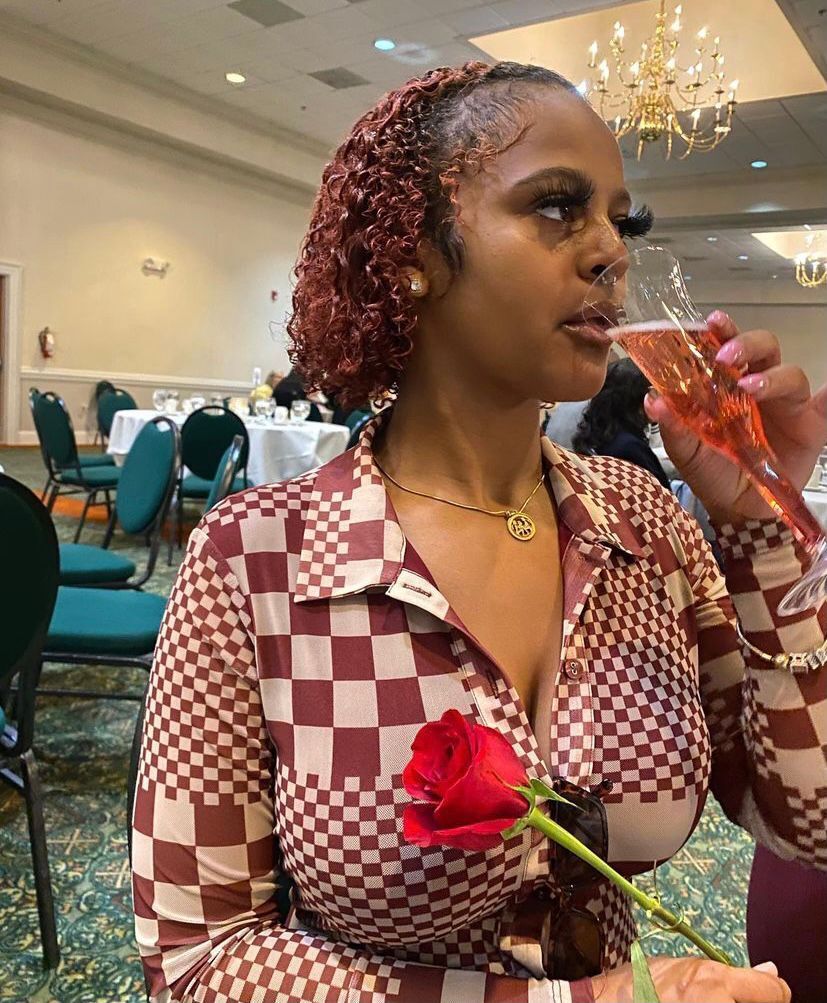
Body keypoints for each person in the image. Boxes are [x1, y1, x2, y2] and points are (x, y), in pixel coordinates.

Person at [132, 61, 827, 1002]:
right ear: (411, 252)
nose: (608, 253)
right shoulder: (257, 557)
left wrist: (762, 524)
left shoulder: (644, 525)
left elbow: (808, 823)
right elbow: (199, 958)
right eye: (556, 207)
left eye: (619, 222)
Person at [571, 358, 671, 487]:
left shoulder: (599, 435)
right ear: (638, 401)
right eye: (654, 393)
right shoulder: (629, 448)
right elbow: (662, 492)